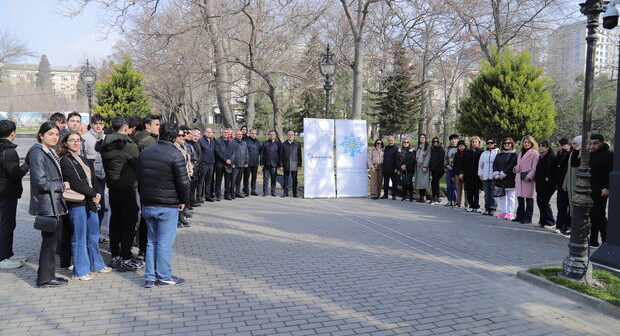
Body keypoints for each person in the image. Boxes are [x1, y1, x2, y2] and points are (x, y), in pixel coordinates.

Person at [138, 122, 190, 288]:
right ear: (175, 136)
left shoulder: (146, 152)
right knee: (164, 243)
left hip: (148, 203)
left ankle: (150, 276)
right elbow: (183, 182)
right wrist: (183, 201)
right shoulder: (175, 154)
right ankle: (164, 276)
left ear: (160, 133)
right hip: (168, 205)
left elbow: (140, 178)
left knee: (151, 242)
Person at [57, 132, 111, 280]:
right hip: (77, 203)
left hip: (91, 202)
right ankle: (80, 270)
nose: (75, 143)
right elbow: (74, 182)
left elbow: (94, 179)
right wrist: (93, 194)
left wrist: (98, 193)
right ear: (66, 143)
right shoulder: (65, 160)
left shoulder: (84, 159)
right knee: (79, 237)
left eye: (78, 140)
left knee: (93, 235)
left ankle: (96, 264)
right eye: (72, 140)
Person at [26, 122, 69, 287]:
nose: (54, 137)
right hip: (47, 205)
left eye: (56, 134)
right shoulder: (38, 152)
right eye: (50, 134)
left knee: (51, 243)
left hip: (54, 204)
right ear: (41, 135)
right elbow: (41, 182)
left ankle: (47, 275)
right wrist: (62, 186)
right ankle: (45, 278)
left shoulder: (48, 151)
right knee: (49, 244)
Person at [99, 117, 141, 272]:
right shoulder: (127, 144)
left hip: (113, 187)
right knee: (128, 223)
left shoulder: (105, 143)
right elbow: (138, 163)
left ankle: (115, 255)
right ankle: (126, 257)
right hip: (127, 188)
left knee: (115, 222)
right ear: (125, 128)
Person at [0, 120, 29, 269]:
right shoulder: (9, 151)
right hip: (6, 193)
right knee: (6, 225)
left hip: (4, 193)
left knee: (6, 224)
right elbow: (15, 174)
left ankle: (8, 254)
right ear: (13, 133)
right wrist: (26, 165)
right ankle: (3, 258)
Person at [81, 114, 107, 232]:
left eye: (100, 123)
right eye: (96, 123)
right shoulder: (84, 137)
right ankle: (91, 230)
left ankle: (98, 230)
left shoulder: (106, 137)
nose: (98, 126)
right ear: (91, 124)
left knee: (102, 204)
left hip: (103, 174)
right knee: (92, 203)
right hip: (90, 174)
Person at [589, 134, 613, 247]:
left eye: (595, 143)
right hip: (592, 189)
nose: (593, 146)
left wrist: (607, 187)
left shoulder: (608, 155)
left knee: (600, 215)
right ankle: (593, 240)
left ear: (602, 142)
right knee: (593, 215)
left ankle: (606, 240)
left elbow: (612, 172)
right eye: (591, 143)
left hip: (601, 191)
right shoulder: (592, 155)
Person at [513, 135, 539, 224]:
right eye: (525, 142)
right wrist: (515, 168)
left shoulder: (535, 153)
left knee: (529, 198)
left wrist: (529, 176)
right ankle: (519, 216)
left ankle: (528, 218)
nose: (526, 144)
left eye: (528, 142)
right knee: (520, 198)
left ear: (532, 143)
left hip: (527, 178)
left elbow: (535, 167)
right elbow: (518, 164)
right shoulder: (520, 153)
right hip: (519, 177)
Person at [492, 138, 517, 220]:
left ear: (512, 144)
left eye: (509, 143)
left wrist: (503, 173)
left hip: (510, 178)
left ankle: (510, 213)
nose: (507, 144)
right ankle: (504, 212)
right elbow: (495, 164)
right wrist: (496, 173)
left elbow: (511, 165)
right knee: (501, 196)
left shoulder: (514, 155)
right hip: (499, 178)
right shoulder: (499, 154)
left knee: (511, 197)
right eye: (505, 143)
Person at [534, 140, 557, 228]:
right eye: (539, 146)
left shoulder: (550, 156)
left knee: (544, 202)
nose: (540, 148)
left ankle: (550, 221)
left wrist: (548, 178)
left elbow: (551, 170)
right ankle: (542, 221)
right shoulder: (541, 156)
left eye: (542, 146)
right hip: (540, 183)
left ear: (547, 147)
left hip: (548, 185)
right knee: (540, 202)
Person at [174, 126, 193, 227]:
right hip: (180, 175)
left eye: (183, 135)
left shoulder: (184, 146)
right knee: (179, 197)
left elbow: (188, 160)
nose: (182, 137)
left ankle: (182, 216)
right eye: (180, 135)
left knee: (185, 197)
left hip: (186, 175)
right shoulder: (174, 147)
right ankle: (177, 218)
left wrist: (190, 171)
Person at [555, 138, 572, 235]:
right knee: (561, 206)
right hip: (561, 183)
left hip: (569, 183)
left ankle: (567, 226)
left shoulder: (570, 154)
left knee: (569, 207)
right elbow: (557, 163)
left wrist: (565, 151)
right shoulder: (560, 153)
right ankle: (559, 226)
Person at [563, 136, 582, 224]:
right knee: (572, 205)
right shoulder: (572, 153)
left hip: (578, 183)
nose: (573, 145)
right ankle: (573, 225)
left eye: (575, 143)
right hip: (571, 182)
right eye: (573, 143)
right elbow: (569, 169)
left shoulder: (582, 154)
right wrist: (565, 183)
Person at [478, 138, 499, 216]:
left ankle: (493, 208)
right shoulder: (484, 153)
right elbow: (480, 164)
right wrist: (480, 174)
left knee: (494, 193)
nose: (490, 144)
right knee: (487, 193)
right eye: (488, 143)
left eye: (491, 142)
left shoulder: (498, 152)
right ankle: (487, 208)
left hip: (494, 176)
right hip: (485, 175)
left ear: (495, 143)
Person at [279, 130, 302, 198]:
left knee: (294, 179)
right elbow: (281, 156)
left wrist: (299, 165)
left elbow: (299, 155)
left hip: (294, 164)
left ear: (294, 136)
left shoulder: (297, 144)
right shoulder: (283, 144)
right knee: (285, 179)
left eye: (292, 134)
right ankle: (285, 192)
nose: (290, 136)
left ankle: (295, 193)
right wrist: (281, 165)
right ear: (287, 135)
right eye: (289, 134)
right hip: (286, 164)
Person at [464, 136, 483, 213]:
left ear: (479, 143)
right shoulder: (467, 152)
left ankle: (476, 205)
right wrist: (462, 172)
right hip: (468, 174)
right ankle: (470, 205)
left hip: (477, 174)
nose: (474, 143)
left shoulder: (481, 152)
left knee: (476, 190)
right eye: (473, 142)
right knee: (469, 190)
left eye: (476, 142)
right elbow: (464, 163)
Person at [214, 128, 234, 201]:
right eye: (224, 132)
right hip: (220, 164)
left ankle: (227, 194)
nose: (226, 133)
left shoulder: (231, 141)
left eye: (227, 132)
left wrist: (230, 160)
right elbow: (217, 152)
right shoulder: (217, 141)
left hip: (228, 165)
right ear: (221, 133)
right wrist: (225, 160)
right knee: (218, 180)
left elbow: (233, 152)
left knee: (228, 180)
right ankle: (218, 195)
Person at [260, 130, 280, 196]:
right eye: (270, 134)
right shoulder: (265, 143)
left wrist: (279, 165)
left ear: (275, 135)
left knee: (273, 179)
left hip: (274, 164)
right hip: (266, 164)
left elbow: (280, 155)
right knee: (265, 179)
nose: (272, 136)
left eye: (273, 134)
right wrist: (261, 163)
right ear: (268, 135)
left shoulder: (278, 144)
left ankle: (273, 192)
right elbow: (262, 154)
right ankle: (265, 192)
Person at [198, 128, 216, 202]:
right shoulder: (200, 140)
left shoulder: (212, 141)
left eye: (210, 132)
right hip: (204, 163)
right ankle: (199, 197)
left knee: (209, 181)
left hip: (211, 163)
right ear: (204, 132)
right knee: (201, 181)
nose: (209, 133)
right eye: (207, 132)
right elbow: (199, 152)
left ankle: (207, 196)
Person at [231, 130, 249, 198]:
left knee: (239, 180)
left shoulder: (244, 143)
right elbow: (231, 153)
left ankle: (237, 192)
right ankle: (232, 193)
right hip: (235, 165)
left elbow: (246, 153)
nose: (240, 135)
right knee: (233, 180)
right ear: (235, 135)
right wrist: (232, 163)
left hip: (242, 164)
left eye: (241, 134)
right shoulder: (232, 143)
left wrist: (246, 162)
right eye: (238, 134)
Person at [243, 129, 261, 196]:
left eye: (255, 133)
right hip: (247, 163)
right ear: (249, 133)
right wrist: (245, 162)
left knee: (254, 178)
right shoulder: (246, 141)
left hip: (255, 163)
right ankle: (246, 190)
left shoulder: (258, 142)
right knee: (246, 177)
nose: (253, 134)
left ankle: (253, 190)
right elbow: (244, 152)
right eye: (252, 133)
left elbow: (260, 152)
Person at [414, 134, 431, 202]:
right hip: (418, 166)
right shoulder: (418, 146)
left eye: (423, 138)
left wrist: (425, 166)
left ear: (425, 139)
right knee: (419, 182)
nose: (422, 139)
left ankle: (424, 197)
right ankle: (420, 197)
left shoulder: (428, 147)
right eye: (420, 138)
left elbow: (428, 157)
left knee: (423, 182)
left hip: (423, 166)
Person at [429, 137, 445, 205]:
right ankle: (437, 197)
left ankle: (434, 197)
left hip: (439, 169)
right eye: (434, 141)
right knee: (436, 182)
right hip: (433, 169)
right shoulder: (432, 149)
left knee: (433, 182)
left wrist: (434, 166)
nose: (435, 142)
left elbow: (441, 159)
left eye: (436, 141)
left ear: (438, 142)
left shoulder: (441, 149)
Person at [452, 140, 468, 208]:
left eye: (462, 146)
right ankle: (458, 202)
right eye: (460, 146)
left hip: (465, 174)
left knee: (466, 189)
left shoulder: (467, 153)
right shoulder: (456, 154)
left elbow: (467, 165)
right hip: (457, 173)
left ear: (465, 146)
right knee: (458, 189)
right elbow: (454, 165)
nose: (461, 147)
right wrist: (453, 175)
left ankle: (466, 203)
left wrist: (463, 173)